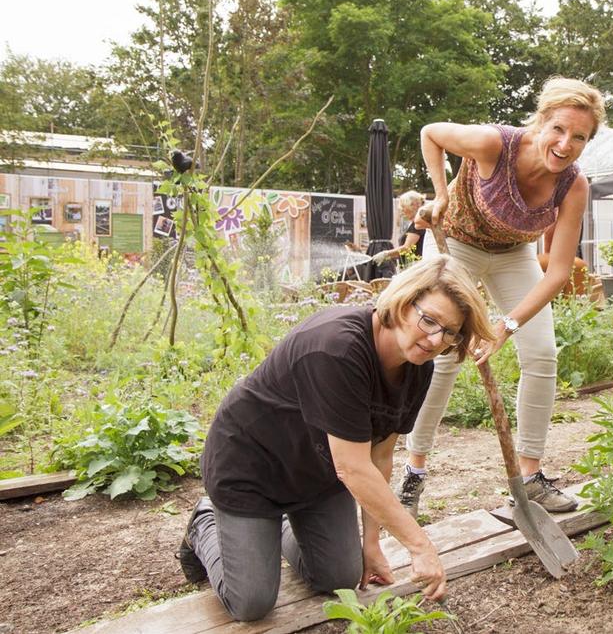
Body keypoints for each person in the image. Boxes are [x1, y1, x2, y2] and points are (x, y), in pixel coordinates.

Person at [175, 255, 493, 621]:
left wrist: (371, 544)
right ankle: (205, 523)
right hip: (251, 468)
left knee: (339, 577)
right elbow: (353, 467)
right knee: (252, 603)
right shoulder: (336, 348)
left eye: (450, 332)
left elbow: (380, 456)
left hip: (318, 472)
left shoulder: (417, 367)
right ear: (404, 301)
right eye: (429, 320)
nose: (436, 339)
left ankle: (273, 526)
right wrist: (420, 546)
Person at [397, 77, 606, 516]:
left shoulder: (574, 186)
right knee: (443, 355)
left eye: (580, 137)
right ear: (541, 122)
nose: (566, 145)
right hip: (455, 243)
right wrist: (439, 194)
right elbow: (430, 133)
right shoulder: (496, 144)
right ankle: (414, 471)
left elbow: (559, 272)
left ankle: (528, 478)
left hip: (513, 254)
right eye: (559, 129)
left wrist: (505, 325)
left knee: (542, 353)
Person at [371, 190, 427, 267]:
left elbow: (407, 248)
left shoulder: (418, 225)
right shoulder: (415, 224)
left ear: (413, 206)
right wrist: (390, 256)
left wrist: (386, 254)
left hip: (414, 267)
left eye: (403, 207)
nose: (402, 210)